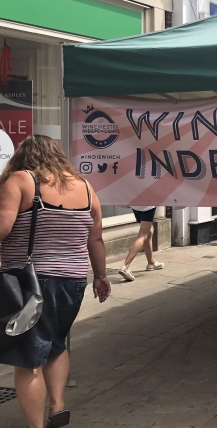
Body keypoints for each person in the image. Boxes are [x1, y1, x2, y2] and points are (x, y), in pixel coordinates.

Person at [0, 135, 112, 428]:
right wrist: (100, 276)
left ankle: (37, 426)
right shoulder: (86, 187)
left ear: (23, 157)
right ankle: (57, 408)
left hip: (30, 284)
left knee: (29, 357)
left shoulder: (20, 180)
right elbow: (96, 238)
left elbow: (3, 226)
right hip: (74, 280)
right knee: (56, 344)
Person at [118, 206, 164, 281]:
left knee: (149, 230)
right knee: (143, 235)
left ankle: (151, 262)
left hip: (136, 205)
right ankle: (125, 267)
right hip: (148, 205)